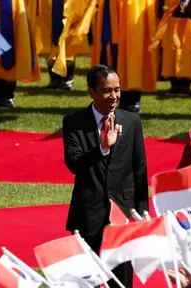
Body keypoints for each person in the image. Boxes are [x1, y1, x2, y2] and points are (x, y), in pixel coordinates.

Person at [62, 64, 148, 287]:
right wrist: (101, 148)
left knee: (120, 280)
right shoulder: (74, 123)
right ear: (91, 92)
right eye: (107, 90)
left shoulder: (131, 122)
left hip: (122, 214)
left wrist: (141, 213)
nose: (114, 96)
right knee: (85, 280)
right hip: (88, 213)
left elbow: (139, 170)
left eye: (117, 90)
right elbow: (74, 163)